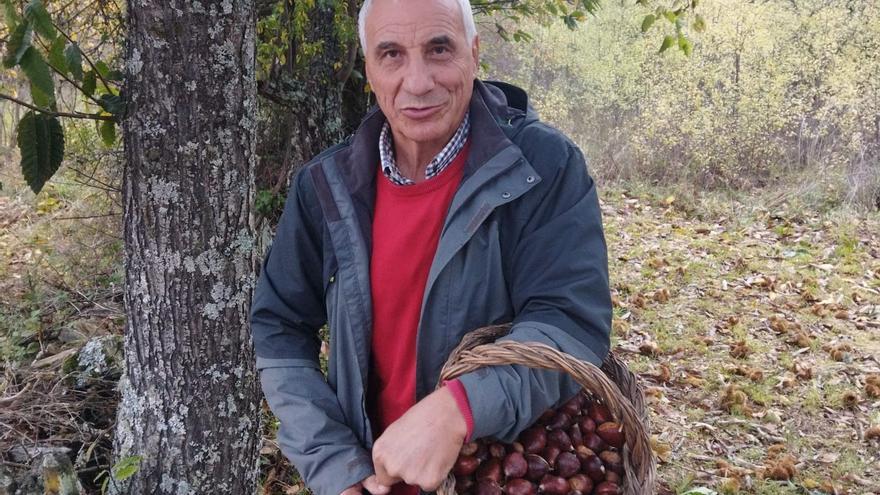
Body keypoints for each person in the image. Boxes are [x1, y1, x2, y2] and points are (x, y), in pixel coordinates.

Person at [249, 0, 612, 494]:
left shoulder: (543, 166)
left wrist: (460, 407)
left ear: (475, 53)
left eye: (439, 49)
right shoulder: (325, 187)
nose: (417, 82)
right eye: (392, 54)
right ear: (369, 70)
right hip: (370, 479)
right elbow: (279, 327)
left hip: (495, 472)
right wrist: (334, 463)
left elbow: (571, 323)